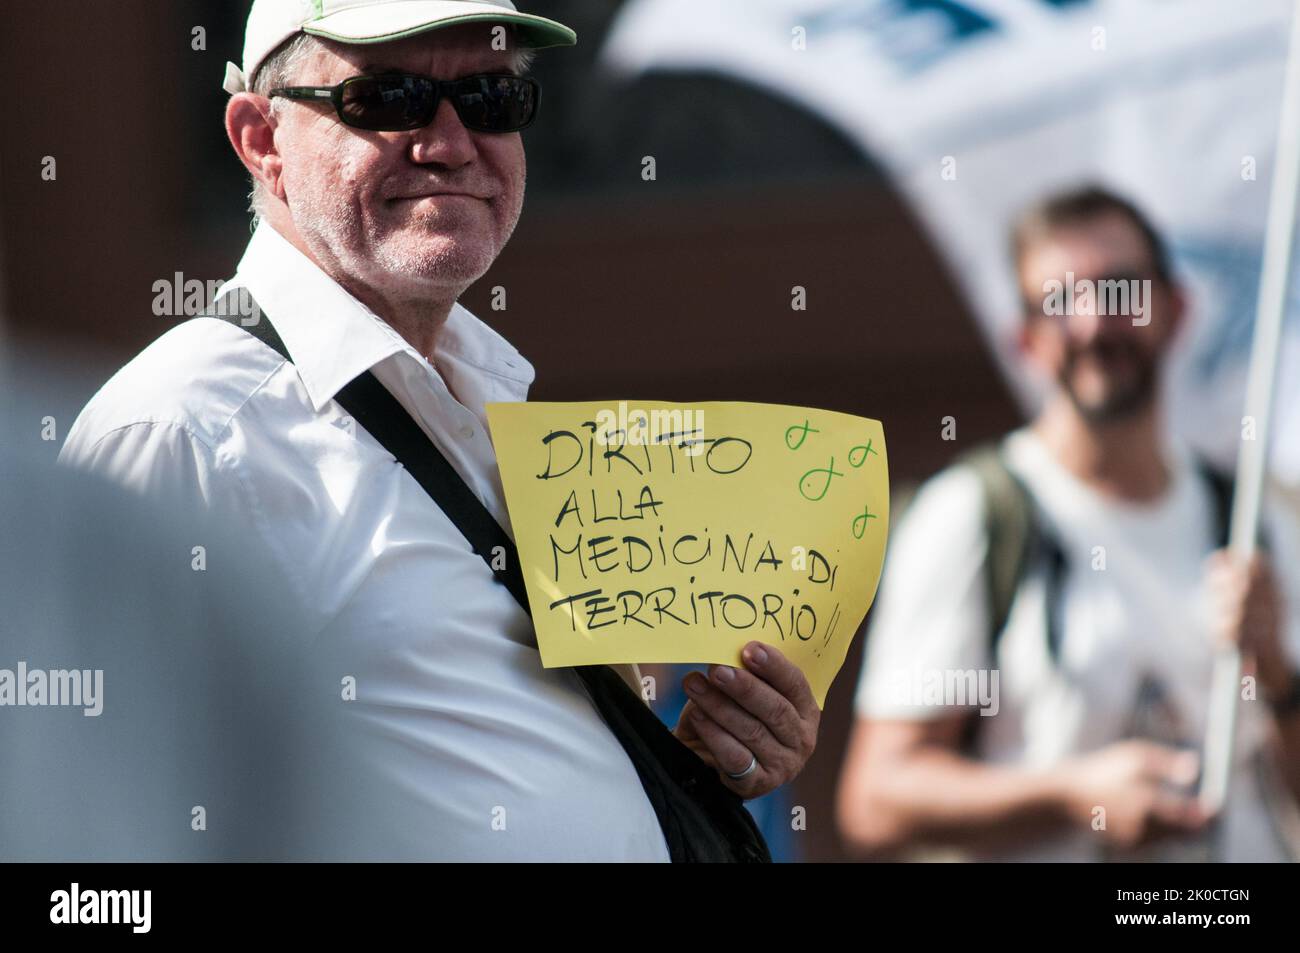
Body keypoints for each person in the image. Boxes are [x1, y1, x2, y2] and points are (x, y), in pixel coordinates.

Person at [57, 0, 819, 862]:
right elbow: (89, 844)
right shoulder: (183, 427)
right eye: (387, 99)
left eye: (491, 99)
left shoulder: (492, 404)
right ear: (261, 140)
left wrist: (697, 761)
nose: (452, 142)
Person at [836, 185, 1300, 862]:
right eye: (1060, 300)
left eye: (1120, 290)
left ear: (1176, 309)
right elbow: (875, 801)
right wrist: (1071, 795)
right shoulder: (974, 515)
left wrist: (1278, 673)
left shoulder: (1259, 519)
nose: (1093, 321)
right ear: (1024, 338)